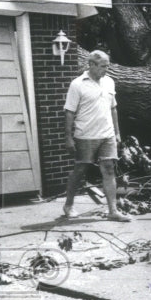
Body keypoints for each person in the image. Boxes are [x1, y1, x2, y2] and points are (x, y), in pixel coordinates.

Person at [60, 50, 131, 222]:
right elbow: (69, 112)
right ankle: (68, 205)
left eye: (107, 66)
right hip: (85, 135)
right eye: (103, 66)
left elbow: (113, 108)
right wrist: (68, 137)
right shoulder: (77, 84)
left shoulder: (109, 82)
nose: (106, 70)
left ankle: (113, 211)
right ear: (91, 65)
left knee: (108, 169)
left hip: (107, 135)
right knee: (80, 170)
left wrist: (117, 133)